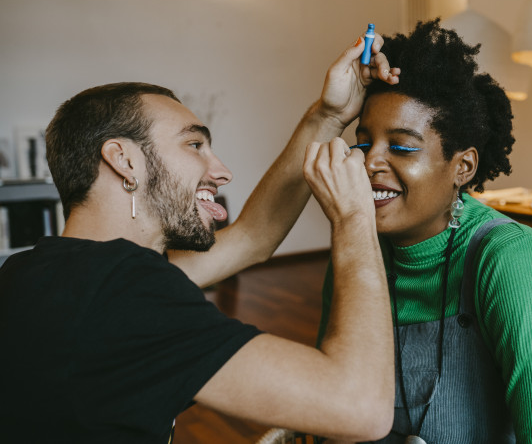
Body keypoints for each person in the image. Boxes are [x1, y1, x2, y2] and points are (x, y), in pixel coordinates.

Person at [0, 32, 401, 443]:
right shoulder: (121, 293)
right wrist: (354, 217)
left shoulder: (39, 272)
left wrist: (328, 115)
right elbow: (360, 407)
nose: (222, 172)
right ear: (124, 160)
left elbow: (252, 237)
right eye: (195, 144)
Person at [316, 19, 532, 443]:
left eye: (402, 146)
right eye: (364, 141)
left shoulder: (510, 260)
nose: (368, 162)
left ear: (462, 167)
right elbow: (328, 412)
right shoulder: (357, 248)